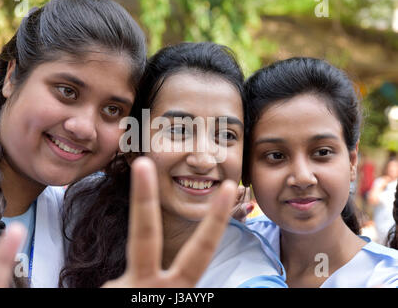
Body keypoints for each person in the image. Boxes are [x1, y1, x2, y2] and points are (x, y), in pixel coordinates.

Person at [0, 0, 146, 287]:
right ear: (12, 78)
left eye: (112, 110)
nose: (83, 128)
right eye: (67, 91)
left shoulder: (79, 223)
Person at [59, 42, 286, 288]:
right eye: (178, 130)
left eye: (226, 135)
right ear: (133, 146)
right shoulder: (77, 209)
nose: (203, 159)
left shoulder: (249, 277)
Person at [244, 57, 398, 287]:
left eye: (322, 152)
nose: (303, 177)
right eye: (276, 155)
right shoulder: (232, 248)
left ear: (352, 161)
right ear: (246, 170)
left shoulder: (386, 279)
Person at [368, 157, 398, 245]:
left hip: (393, 225)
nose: (392, 169)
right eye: (390, 167)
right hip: (380, 226)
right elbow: (372, 199)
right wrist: (381, 185)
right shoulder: (379, 181)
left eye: (395, 167)